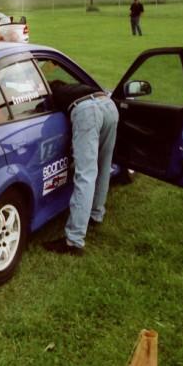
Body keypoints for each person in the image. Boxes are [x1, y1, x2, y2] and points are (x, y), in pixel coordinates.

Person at [42, 81, 119, 255]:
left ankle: (74, 241)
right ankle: (96, 213)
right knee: (104, 165)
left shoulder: (51, 94)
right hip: (108, 105)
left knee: (85, 175)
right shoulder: (73, 87)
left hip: (88, 111)